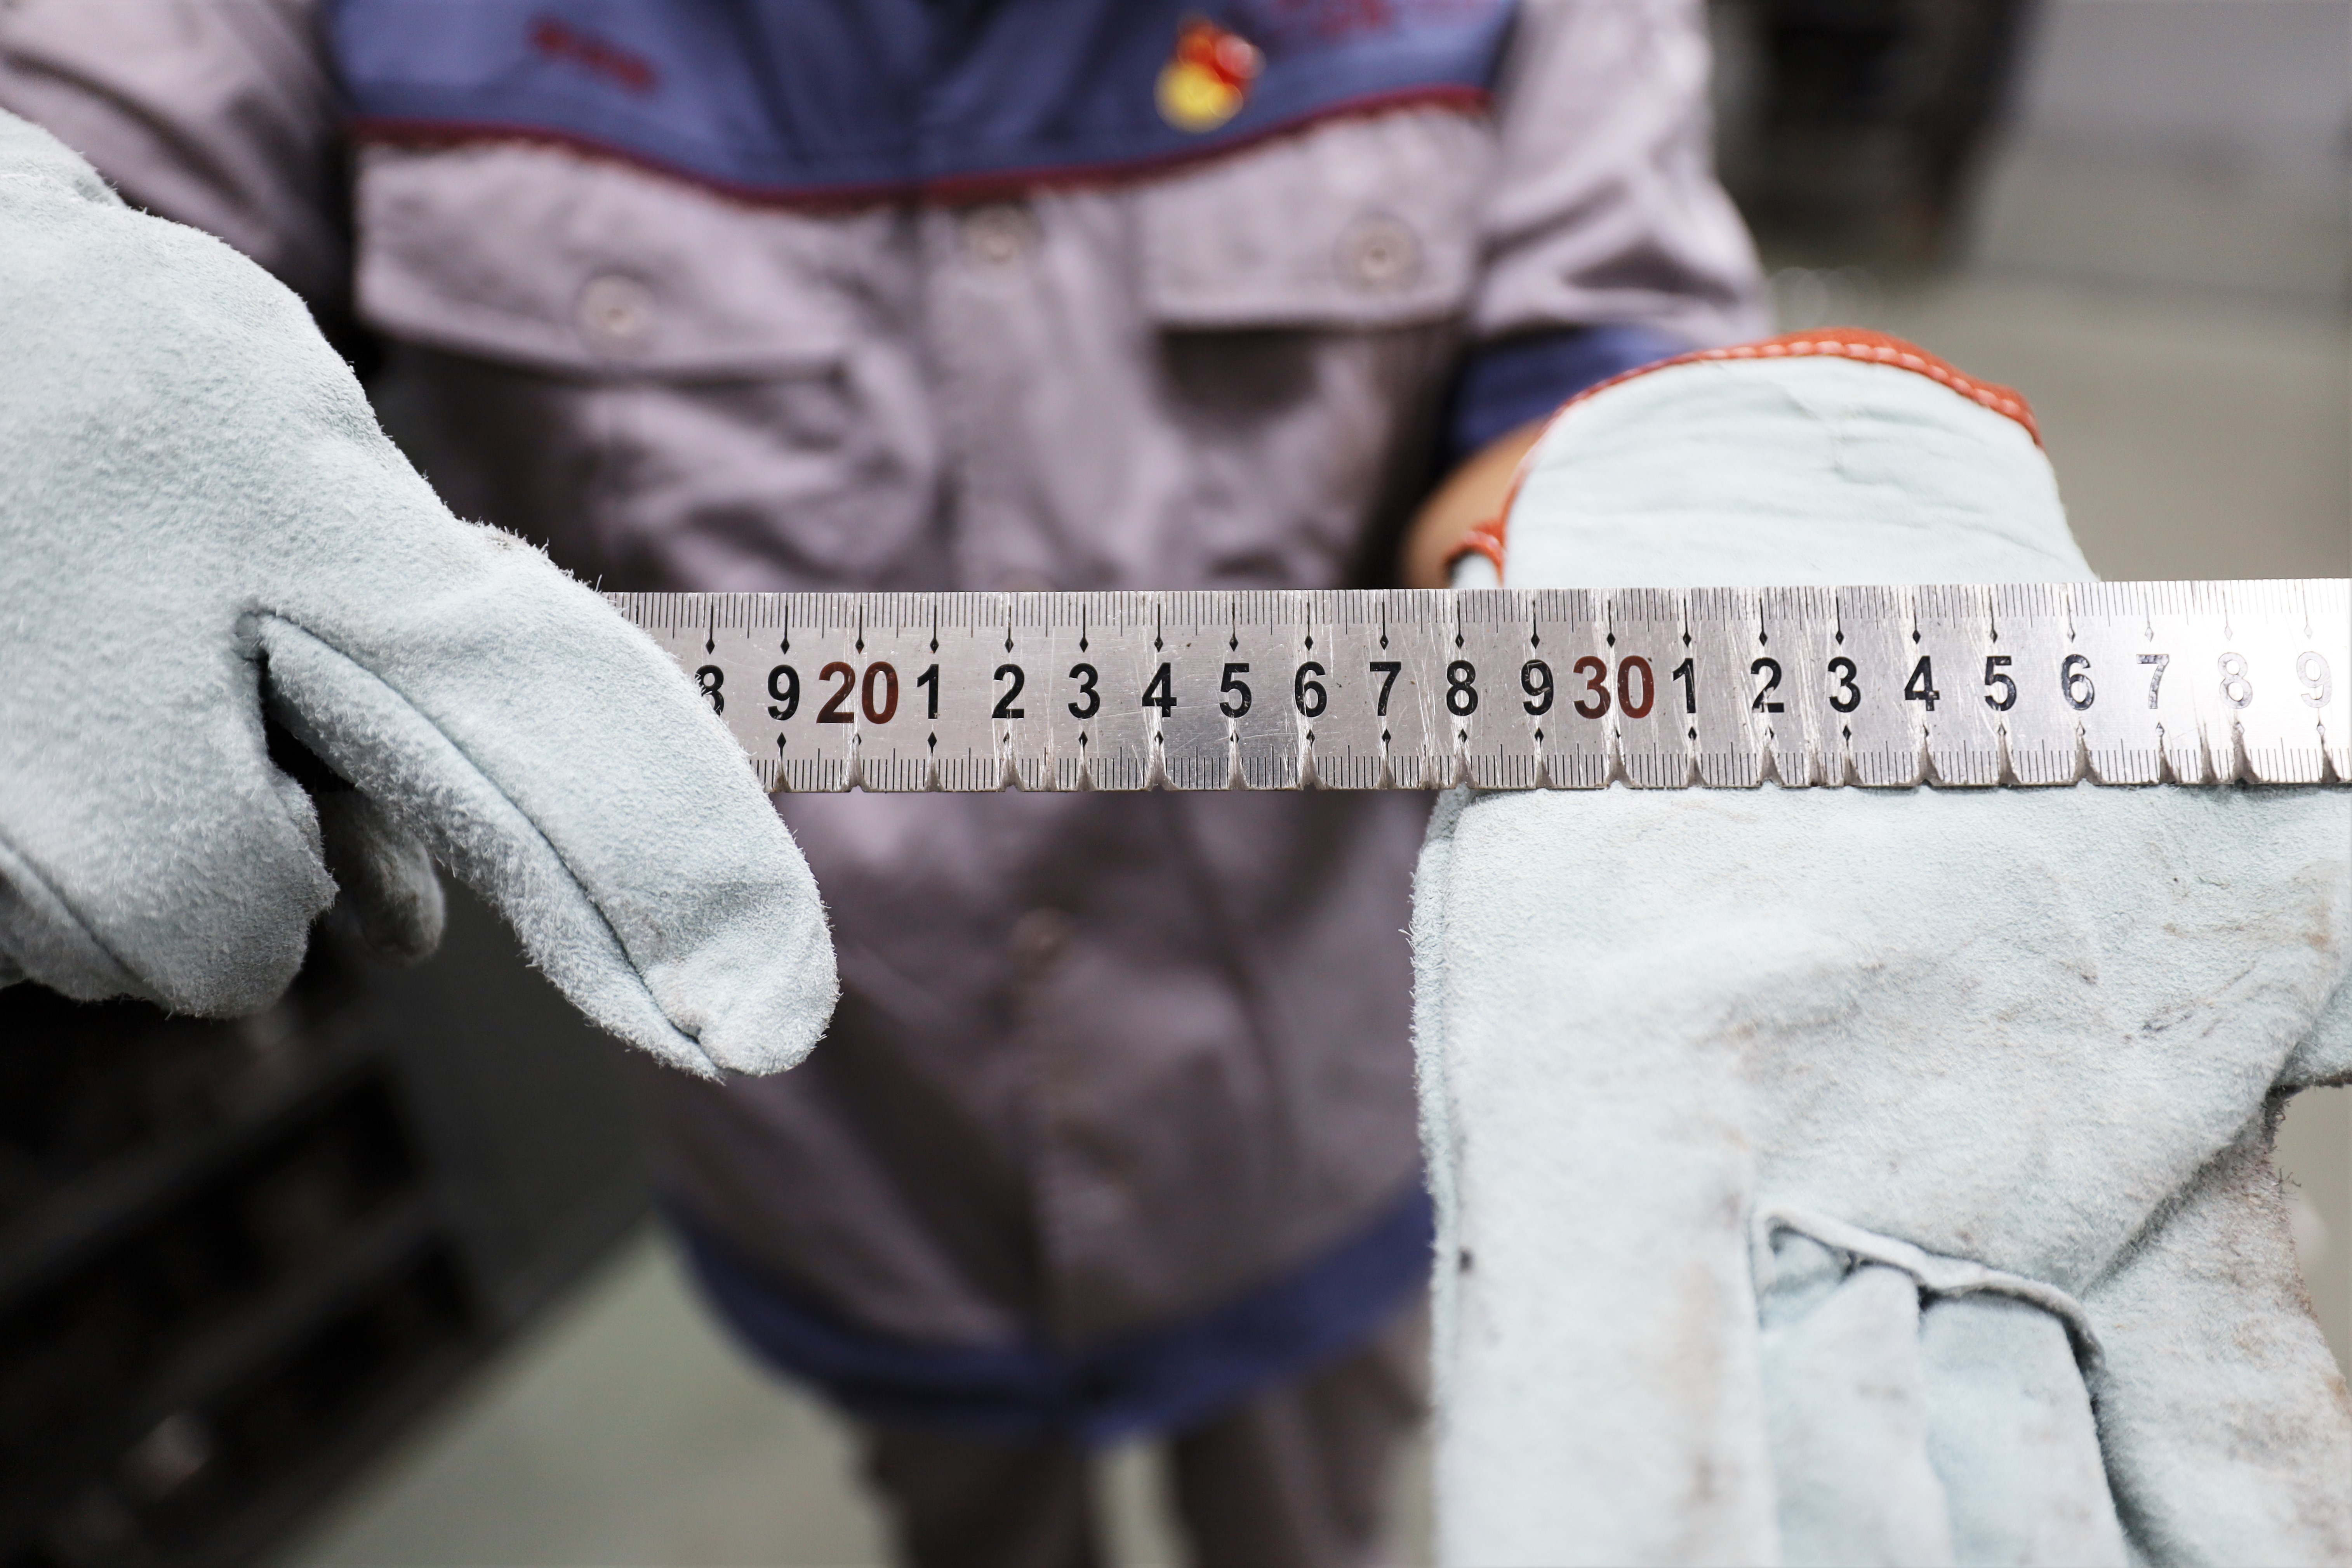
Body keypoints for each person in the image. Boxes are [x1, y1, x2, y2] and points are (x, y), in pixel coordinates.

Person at [0, 4, 1765, 1563]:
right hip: (841, 1143)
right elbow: (100, 124)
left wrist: (1650, 604)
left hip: (1299, 1121)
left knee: (1312, 1532)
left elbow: (1602, 360)